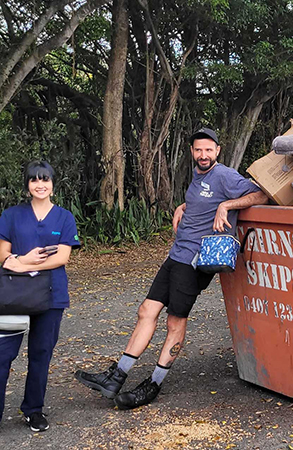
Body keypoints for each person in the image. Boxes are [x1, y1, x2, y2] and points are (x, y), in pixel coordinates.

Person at [75, 128, 268, 410]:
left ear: (217, 151)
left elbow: (261, 196)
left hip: (194, 262)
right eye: (198, 150)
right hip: (176, 255)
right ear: (192, 151)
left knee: (175, 322)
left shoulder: (225, 176)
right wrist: (184, 205)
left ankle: (153, 384)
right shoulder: (199, 175)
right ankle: (116, 377)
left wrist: (227, 205)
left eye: (208, 150)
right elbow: (203, 201)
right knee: (146, 311)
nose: (203, 155)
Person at [0, 161, 81, 432]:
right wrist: (19, 259)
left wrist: (23, 264)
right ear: (27, 186)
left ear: (53, 185)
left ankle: (33, 410)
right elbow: (3, 254)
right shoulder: (11, 216)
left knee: (41, 353)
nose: (40, 185)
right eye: (34, 180)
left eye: (45, 180)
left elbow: (63, 256)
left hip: (51, 296)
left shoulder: (64, 217)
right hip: (12, 297)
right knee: (3, 355)